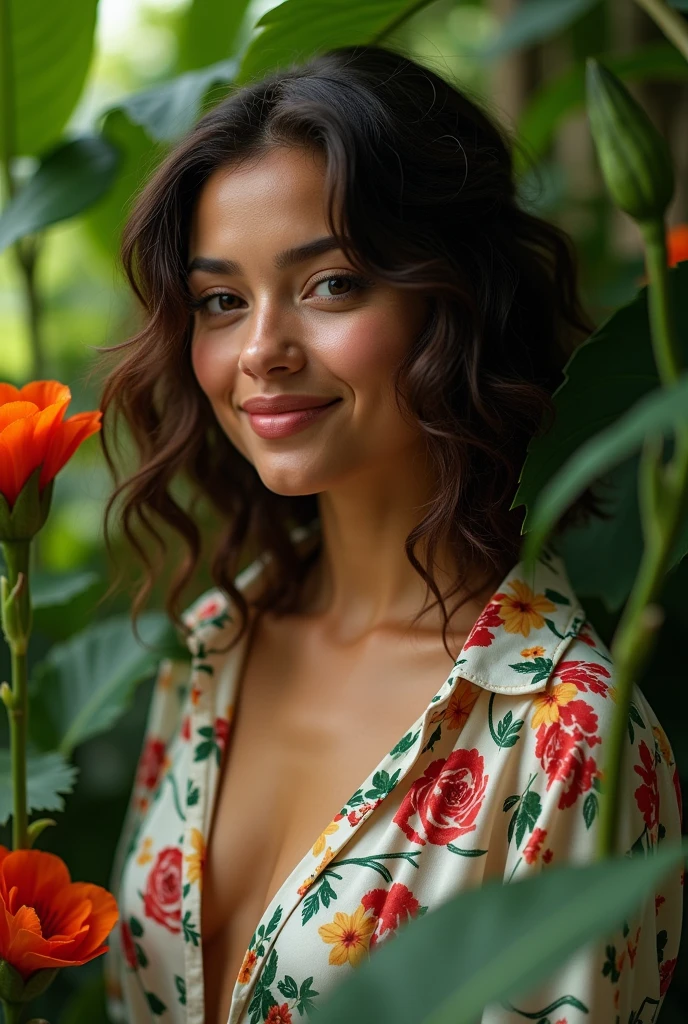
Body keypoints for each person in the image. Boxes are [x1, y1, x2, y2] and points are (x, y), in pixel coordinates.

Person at [97, 45, 682, 1024]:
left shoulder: (570, 737)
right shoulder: (215, 640)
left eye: (328, 284)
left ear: (453, 301)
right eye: (221, 301)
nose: (260, 352)